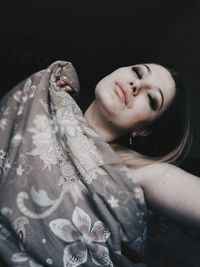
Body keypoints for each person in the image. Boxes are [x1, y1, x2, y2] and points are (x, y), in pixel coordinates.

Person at [0, 60, 199, 267]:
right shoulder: (41, 100)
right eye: (138, 72)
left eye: (151, 98)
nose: (136, 85)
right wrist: (55, 103)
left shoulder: (140, 173)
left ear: (143, 130)